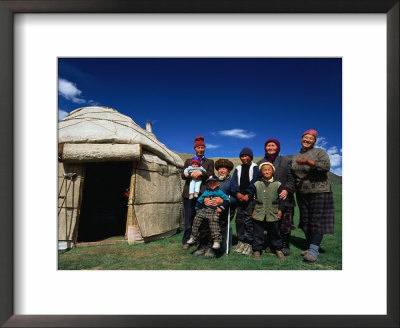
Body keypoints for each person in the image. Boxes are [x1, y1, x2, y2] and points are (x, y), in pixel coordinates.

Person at [291, 129, 335, 262]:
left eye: (311, 138)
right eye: (306, 137)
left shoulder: (319, 152)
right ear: (301, 139)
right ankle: (311, 245)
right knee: (305, 221)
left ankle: (313, 250)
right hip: (302, 192)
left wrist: (310, 163)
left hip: (320, 191)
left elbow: (326, 166)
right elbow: (293, 175)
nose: (308, 140)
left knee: (316, 221)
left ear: (314, 141)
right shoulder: (295, 156)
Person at [257, 138, 296, 255]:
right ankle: (270, 243)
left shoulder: (286, 161)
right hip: (267, 198)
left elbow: (292, 178)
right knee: (269, 222)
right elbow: (257, 180)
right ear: (265, 148)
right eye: (268, 146)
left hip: (284, 196)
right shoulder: (259, 163)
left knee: (285, 222)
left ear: (278, 147)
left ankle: (284, 244)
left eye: (273, 145)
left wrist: (287, 189)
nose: (271, 148)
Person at [193, 158, 237, 259]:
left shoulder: (231, 182)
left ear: (229, 170)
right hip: (208, 209)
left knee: (215, 223)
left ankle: (211, 248)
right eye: (220, 168)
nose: (221, 171)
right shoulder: (213, 180)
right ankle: (203, 245)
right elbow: (205, 194)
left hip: (224, 212)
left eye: (224, 169)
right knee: (202, 223)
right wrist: (204, 200)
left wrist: (223, 201)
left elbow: (236, 199)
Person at [181, 136, 214, 250]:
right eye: (198, 147)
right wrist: (191, 174)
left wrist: (200, 174)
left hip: (202, 194)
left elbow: (210, 174)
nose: (200, 149)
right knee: (188, 218)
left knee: (201, 218)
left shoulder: (209, 162)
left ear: (205, 148)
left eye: (202, 147)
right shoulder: (188, 161)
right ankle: (186, 240)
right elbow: (182, 175)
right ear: (195, 149)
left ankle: (199, 240)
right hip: (188, 194)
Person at [252, 162, 286, 260]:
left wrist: (280, 210)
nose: (267, 172)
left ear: (272, 171)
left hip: (273, 211)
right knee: (258, 232)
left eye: (269, 170)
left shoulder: (278, 184)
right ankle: (257, 250)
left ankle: (278, 249)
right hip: (259, 211)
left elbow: (281, 199)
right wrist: (253, 210)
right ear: (261, 172)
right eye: (264, 170)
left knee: (275, 232)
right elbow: (254, 199)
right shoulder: (257, 184)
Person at [231, 147, 260, 256]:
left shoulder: (255, 167)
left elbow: (255, 181)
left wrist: (248, 194)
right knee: (239, 220)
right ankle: (241, 241)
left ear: (250, 157)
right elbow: (234, 182)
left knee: (248, 220)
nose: (244, 158)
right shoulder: (238, 168)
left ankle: (249, 242)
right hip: (239, 198)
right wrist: (237, 193)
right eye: (242, 156)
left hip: (249, 198)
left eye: (246, 156)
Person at [187, 176, 230, 249]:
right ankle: (193, 237)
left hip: (214, 210)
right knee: (196, 219)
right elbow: (199, 200)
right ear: (208, 184)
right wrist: (197, 209)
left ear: (218, 183)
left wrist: (221, 208)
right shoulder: (206, 192)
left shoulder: (219, 192)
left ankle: (216, 240)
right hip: (205, 209)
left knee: (213, 222)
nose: (212, 184)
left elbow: (227, 200)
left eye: (214, 182)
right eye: (210, 183)